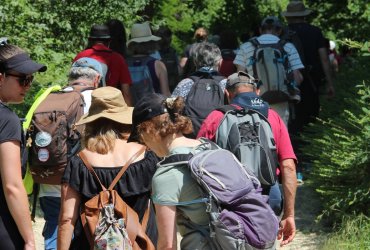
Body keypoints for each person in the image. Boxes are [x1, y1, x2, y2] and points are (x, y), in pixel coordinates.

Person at [197, 71, 298, 247]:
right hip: (268, 198)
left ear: (228, 94)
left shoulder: (216, 117)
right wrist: (289, 215)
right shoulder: (273, 116)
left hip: (228, 202)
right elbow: (288, 166)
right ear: (256, 91)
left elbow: (198, 162)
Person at [57, 87, 158, 250]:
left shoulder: (79, 162)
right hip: (139, 243)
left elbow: (67, 219)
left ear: (91, 122)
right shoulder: (146, 157)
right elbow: (160, 208)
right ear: (124, 119)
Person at [128, 93, 215, 249]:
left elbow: (168, 245)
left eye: (140, 138)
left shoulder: (166, 175)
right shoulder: (210, 148)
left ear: (148, 129)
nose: (145, 146)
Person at [37, 57, 102, 250]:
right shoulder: (99, 101)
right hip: (85, 183)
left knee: (54, 236)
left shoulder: (48, 97)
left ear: (70, 77)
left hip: (49, 179)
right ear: (97, 79)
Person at [0, 39, 46, 249]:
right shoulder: (6, 119)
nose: (28, 86)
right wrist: (29, 239)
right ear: (1, 78)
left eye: (30, 79)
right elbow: (12, 186)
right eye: (22, 80)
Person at [234, 16, 304, 126]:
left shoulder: (246, 47)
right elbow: (298, 78)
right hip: (281, 99)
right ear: (279, 30)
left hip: (255, 100)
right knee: (279, 136)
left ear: (260, 30)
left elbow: (239, 77)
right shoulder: (288, 47)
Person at [282, 1, 335, 132]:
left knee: (292, 119)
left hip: (287, 82)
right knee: (311, 118)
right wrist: (330, 83)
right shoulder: (315, 32)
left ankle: (293, 147)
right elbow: (324, 58)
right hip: (312, 81)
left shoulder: (282, 33)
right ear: (304, 15)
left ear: (288, 17)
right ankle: (310, 147)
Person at [171, 42, 226, 137]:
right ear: (220, 62)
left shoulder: (185, 83)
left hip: (191, 139)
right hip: (218, 138)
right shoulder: (225, 84)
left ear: (195, 62)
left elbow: (172, 109)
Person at [73, 24, 133, 106]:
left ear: (90, 40)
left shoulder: (80, 56)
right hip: (109, 105)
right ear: (109, 41)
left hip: (84, 104)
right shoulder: (118, 58)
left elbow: (72, 83)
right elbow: (126, 92)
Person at [127, 22, 171, 97]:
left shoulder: (124, 63)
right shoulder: (158, 65)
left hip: (130, 108)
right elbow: (166, 94)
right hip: (152, 107)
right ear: (151, 42)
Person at [155, 26, 180, 92]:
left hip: (169, 87)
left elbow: (178, 70)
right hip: (164, 88)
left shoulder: (172, 52)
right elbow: (178, 70)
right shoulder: (153, 52)